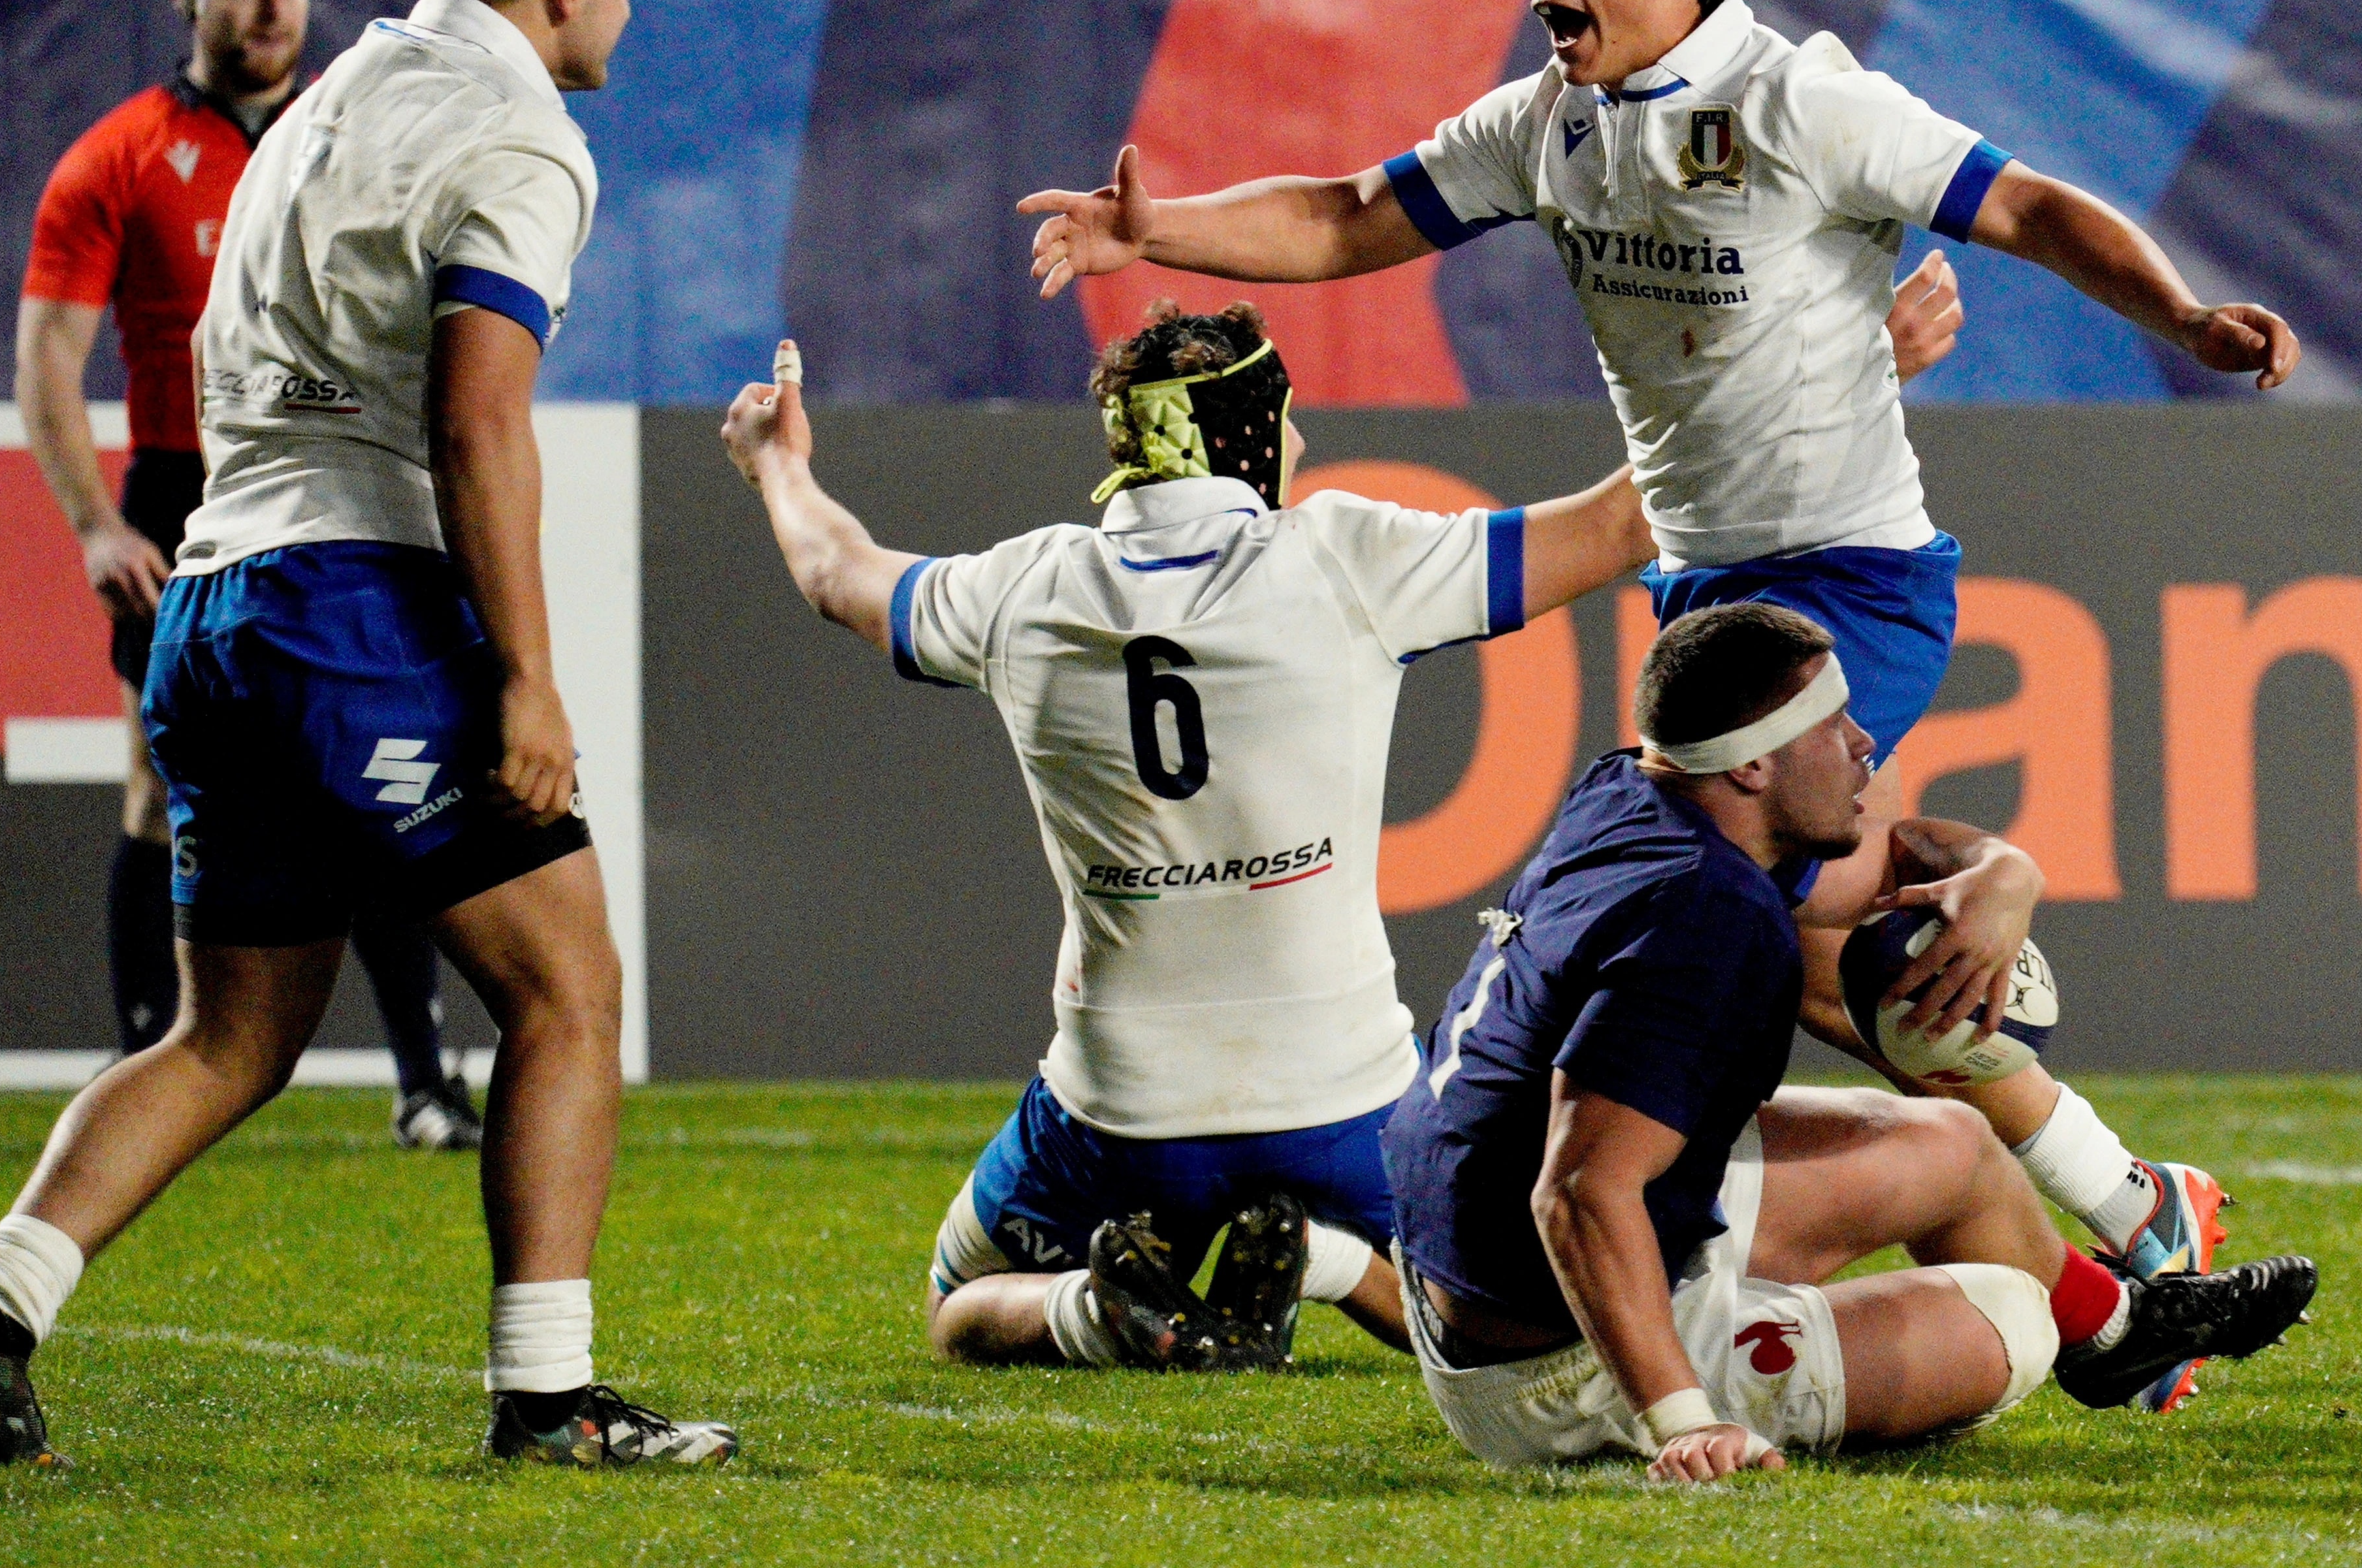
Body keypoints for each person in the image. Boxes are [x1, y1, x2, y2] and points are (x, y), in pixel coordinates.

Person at [1020, 0, 2301, 1411]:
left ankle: (2045, 1098)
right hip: (1696, 595)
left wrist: (2176, 313)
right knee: (1830, 967)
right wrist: (1156, 233)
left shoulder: (1798, 101)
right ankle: (2124, 1206)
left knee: (1788, 920)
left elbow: (2030, 206)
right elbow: (1354, 214)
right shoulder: (1550, 124)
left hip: (1844, 579)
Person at [713, 283, 1954, 1375]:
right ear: (1253, 436)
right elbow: (1634, 518)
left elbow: (838, 573)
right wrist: (1852, 381)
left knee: (958, 1301)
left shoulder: (1017, 587)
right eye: (1287, 421)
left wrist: (778, 460)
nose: (1302, 440)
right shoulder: (1342, 557)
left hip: (1118, 1109)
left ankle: (1100, 1309)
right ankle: (1321, 1259)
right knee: (1501, 1304)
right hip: (1349, 1103)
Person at [0, 0, 739, 1472]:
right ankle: (549, 1396)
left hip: (216, 602)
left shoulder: (325, 100)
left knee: (230, 1038)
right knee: (568, 989)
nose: (627, 4)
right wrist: (524, 675)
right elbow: (478, 420)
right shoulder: (521, 135)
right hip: (353, 606)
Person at [1383, 601, 2322, 1479]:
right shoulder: (1705, 915)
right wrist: (1683, 1419)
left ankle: (2117, 1333)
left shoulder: (1634, 788)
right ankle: (1698, 1368)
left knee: (1956, 1143)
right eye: (1831, 722)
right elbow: (1581, 1190)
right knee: (2010, 1322)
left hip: (1490, 1243)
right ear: (1751, 767)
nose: (1864, 743)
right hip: (1546, 1351)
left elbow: (1884, 850)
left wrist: (2003, 869)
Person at [13, 0, 481, 1153]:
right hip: (182, 486)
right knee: (156, 787)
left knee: (373, 780)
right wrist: (98, 526)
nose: (270, 8)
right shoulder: (114, 158)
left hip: (336, 472)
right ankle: (149, 1062)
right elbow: (47, 360)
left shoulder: (347, 135)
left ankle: (425, 1082)